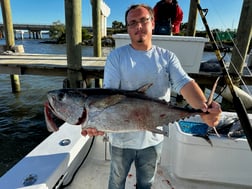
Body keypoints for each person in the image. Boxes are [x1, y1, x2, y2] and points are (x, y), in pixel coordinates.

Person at [81, 4, 222, 189]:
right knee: (116, 182)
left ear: (153, 23)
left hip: (154, 139)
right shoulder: (117, 57)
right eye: (132, 23)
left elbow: (185, 84)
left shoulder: (167, 57)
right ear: (128, 28)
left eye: (143, 20)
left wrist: (205, 108)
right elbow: (109, 98)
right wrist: (96, 123)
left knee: (146, 183)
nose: (138, 26)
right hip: (121, 140)